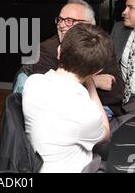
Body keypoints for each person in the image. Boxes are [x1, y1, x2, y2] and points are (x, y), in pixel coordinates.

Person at [22, 23, 112, 173]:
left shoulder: (32, 82)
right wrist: (91, 85)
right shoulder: (85, 111)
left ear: (58, 51)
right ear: (97, 71)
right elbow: (105, 134)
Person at [30, 0, 125, 116]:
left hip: (104, 111)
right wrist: (93, 82)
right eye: (60, 20)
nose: (61, 25)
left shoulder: (101, 45)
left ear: (88, 25)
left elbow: (116, 92)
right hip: (62, 114)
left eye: (69, 21)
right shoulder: (47, 49)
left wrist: (71, 85)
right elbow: (47, 97)